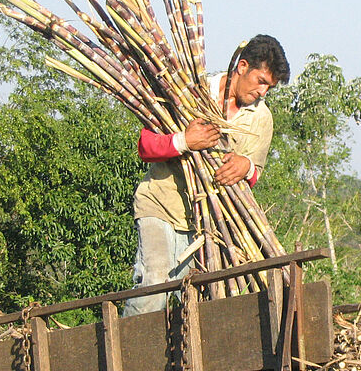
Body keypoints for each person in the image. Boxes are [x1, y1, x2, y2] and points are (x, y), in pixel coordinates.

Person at [123, 34, 290, 317]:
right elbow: (146, 145)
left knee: (200, 300)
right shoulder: (190, 92)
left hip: (208, 223)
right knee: (154, 288)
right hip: (160, 204)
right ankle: (128, 357)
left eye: (269, 87)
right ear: (242, 66)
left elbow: (255, 172)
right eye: (261, 81)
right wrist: (185, 141)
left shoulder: (261, 118)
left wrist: (244, 167)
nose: (263, 92)